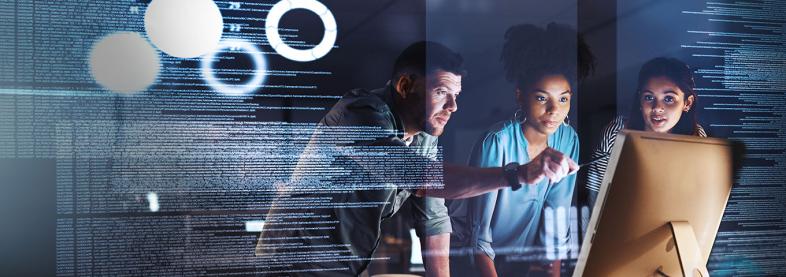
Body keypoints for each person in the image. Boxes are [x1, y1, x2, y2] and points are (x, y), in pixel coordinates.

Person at [256, 41, 579, 277]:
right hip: (290, 264)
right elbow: (422, 177)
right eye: (441, 93)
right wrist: (517, 175)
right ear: (405, 85)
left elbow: (433, 218)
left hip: (343, 265)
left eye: (457, 96)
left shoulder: (423, 137)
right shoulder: (358, 115)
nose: (453, 107)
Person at [447, 23, 594, 277]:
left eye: (563, 99)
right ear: (520, 96)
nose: (553, 110)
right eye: (541, 98)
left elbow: (556, 229)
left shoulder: (568, 140)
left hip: (519, 262)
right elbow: (479, 239)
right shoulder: (497, 141)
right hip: (471, 264)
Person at [585, 57, 707, 207]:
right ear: (640, 100)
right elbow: (595, 198)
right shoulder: (617, 132)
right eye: (649, 97)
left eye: (668, 99)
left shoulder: (697, 138)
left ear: (687, 103)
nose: (657, 107)